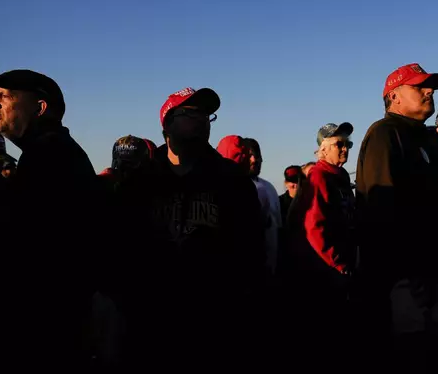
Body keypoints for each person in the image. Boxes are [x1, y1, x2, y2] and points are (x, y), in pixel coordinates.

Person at [116, 87, 266, 370]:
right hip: (151, 325)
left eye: (206, 115)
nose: (200, 120)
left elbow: (250, 252)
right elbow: (121, 249)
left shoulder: (231, 181)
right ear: (167, 124)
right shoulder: (140, 183)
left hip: (214, 325)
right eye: (189, 113)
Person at [0, 69, 101, 370]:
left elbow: (30, 255)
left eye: (3, 97)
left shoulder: (49, 157)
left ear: (40, 108)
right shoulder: (48, 153)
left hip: (43, 334)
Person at [356, 63, 438, 371]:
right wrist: (407, 271)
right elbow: (380, 209)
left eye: (431, 87)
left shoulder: (428, 140)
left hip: (433, 271)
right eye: (419, 87)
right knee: (412, 350)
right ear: (395, 96)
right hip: (402, 276)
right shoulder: (385, 134)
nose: (430, 92)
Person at [284, 122, 356, 358]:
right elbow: (314, 228)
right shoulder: (319, 177)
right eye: (339, 144)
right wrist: (337, 264)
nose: (345, 149)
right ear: (322, 150)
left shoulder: (341, 176)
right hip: (323, 273)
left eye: (348, 144)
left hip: (341, 267)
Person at [243, 137, 282, 276]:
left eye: (257, 155)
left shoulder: (270, 188)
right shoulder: (235, 187)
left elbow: (278, 228)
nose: (254, 160)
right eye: (249, 155)